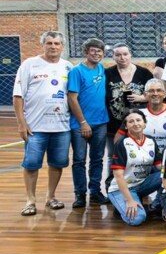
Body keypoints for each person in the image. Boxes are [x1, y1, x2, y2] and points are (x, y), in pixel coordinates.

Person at [14, 31, 74, 216]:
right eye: (49, 43)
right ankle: (30, 200)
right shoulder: (29, 65)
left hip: (62, 126)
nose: (53, 46)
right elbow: (18, 96)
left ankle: (51, 197)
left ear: (62, 46)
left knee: (57, 164)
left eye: (57, 43)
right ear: (43, 45)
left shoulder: (68, 67)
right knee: (31, 164)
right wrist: (22, 123)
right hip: (35, 128)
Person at [67, 38, 109, 209]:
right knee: (79, 160)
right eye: (93, 51)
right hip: (80, 125)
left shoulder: (102, 69)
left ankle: (95, 191)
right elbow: (72, 98)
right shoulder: (76, 71)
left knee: (97, 159)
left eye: (100, 51)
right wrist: (83, 122)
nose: (96, 54)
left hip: (101, 122)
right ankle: (80, 193)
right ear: (85, 52)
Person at [108, 110, 162, 226]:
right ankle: (122, 202)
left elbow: (159, 166)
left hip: (142, 183)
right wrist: (129, 200)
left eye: (138, 120)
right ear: (126, 126)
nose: (135, 123)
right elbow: (118, 176)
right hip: (121, 188)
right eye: (131, 121)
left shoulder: (151, 141)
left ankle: (157, 205)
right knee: (137, 219)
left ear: (144, 123)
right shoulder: (122, 143)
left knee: (165, 175)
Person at [106, 43, 154, 173]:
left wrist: (142, 98)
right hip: (114, 123)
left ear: (130, 55)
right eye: (118, 55)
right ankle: (112, 185)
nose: (122, 57)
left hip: (138, 123)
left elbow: (155, 94)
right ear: (113, 57)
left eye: (125, 54)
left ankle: (139, 186)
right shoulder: (108, 73)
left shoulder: (144, 73)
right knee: (114, 155)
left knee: (140, 154)